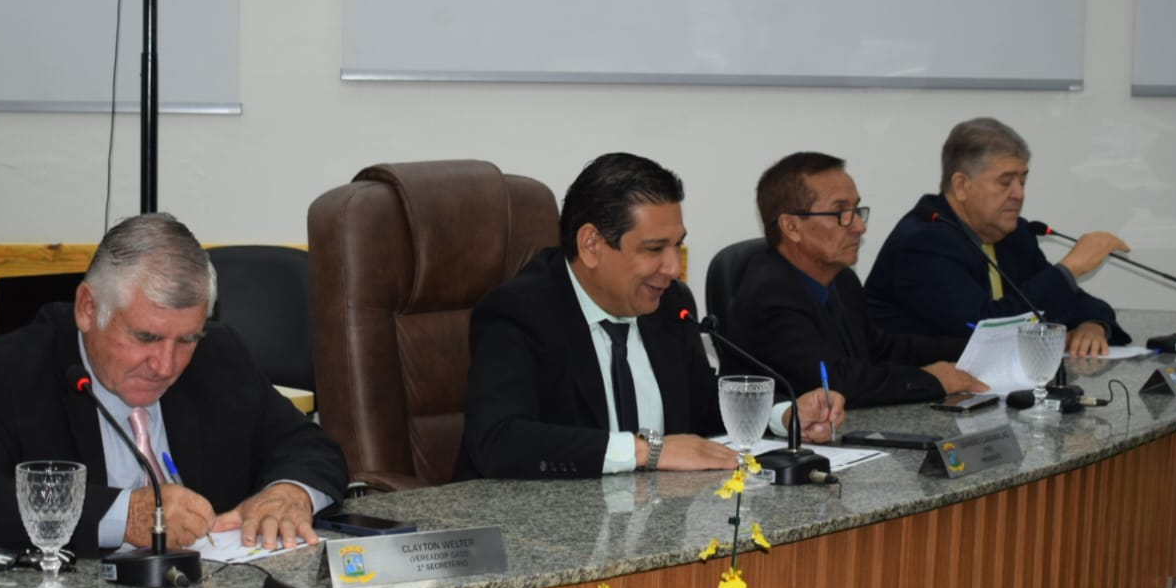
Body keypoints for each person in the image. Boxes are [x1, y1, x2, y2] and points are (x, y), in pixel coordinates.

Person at [0, 212, 347, 557]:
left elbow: (309, 447)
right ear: (88, 309)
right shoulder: (2, 373)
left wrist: (289, 493)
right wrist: (127, 516)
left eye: (187, 339)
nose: (165, 365)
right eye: (146, 337)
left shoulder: (218, 355)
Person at [455, 152, 844, 481]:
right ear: (591, 245)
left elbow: (700, 403)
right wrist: (647, 451)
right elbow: (499, 440)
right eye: (655, 249)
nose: (673, 268)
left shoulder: (669, 303)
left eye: (678, 245)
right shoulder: (520, 312)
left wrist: (784, 415)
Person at [724, 152, 983, 408]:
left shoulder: (842, 279)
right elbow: (836, 382)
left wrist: (973, 349)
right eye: (840, 213)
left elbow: (880, 350)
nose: (859, 226)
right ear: (791, 227)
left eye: (856, 210)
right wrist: (934, 380)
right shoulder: (769, 294)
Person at [864, 118, 1130, 356]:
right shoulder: (923, 243)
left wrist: (1092, 325)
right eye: (1006, 182)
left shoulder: (1013, 235)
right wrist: (1071, 268)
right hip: (915, 387)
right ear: (961, 186)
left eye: (1022, 181)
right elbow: (985, 329)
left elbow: (1069, 301)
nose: (1019, 194)